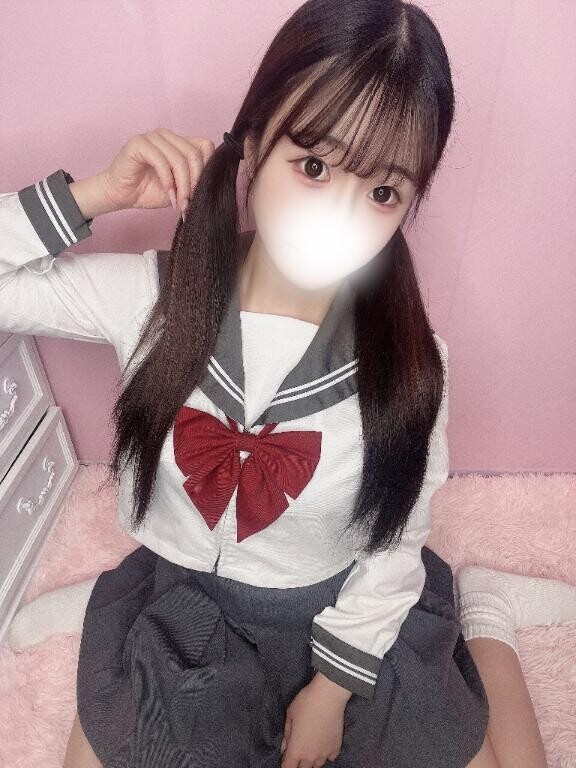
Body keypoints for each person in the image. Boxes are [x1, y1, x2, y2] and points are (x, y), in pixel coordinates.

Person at [1, 0, 565, 765]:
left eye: (383, 193)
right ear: (257, 142)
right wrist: (96, 194)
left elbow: (396, 543)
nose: (341, 217)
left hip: (347, 611)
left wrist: (332, 689)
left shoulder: (410, 362)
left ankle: (487, 613)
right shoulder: (152, 298)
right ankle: (114, 609)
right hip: (192, 614)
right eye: (314, 167)